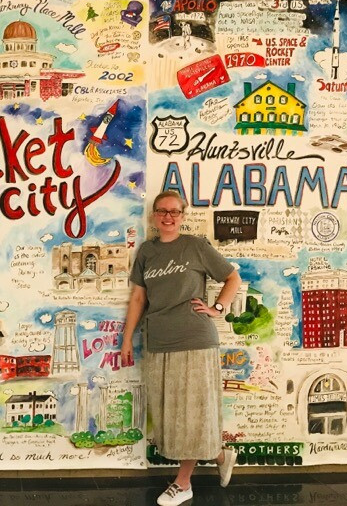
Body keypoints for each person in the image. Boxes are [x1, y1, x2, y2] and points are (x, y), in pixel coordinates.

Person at [121, 190, 242, 506]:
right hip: (159, 343)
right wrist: (126, 339)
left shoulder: (196, 246)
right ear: (154, 215)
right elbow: (138, 299)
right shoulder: (147, 252)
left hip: (194, 340)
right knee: (174, 417)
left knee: (191, 415)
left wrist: (218, 307)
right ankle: (218, 454)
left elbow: (232, 278)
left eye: (175, 212)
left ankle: (183, 483)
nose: (168, 217)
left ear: (183, 215)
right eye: (162, 211)